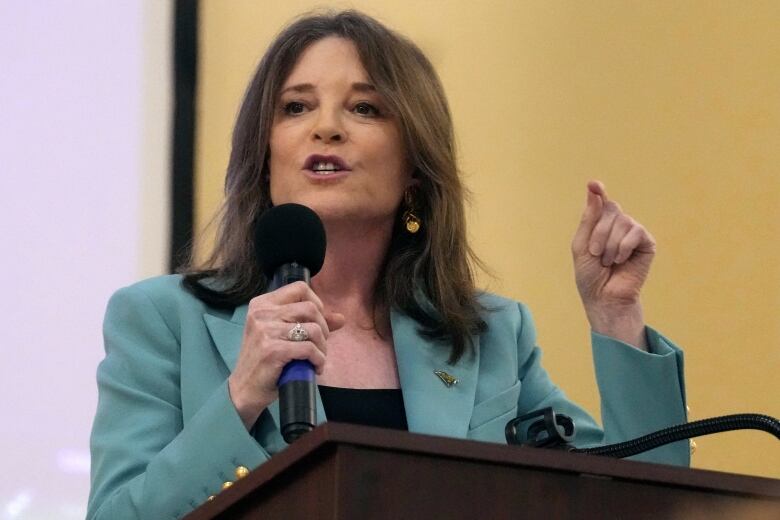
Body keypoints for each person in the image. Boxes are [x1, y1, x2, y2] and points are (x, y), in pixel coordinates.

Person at [88, 10, 689, 519]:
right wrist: (241, 396)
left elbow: (651, 506)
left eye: (366, 109)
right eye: (296, 107)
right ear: (263, 154)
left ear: (414, 169)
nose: (325, 128)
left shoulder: (488, 339)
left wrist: (616, 317)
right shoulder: (163, 320)